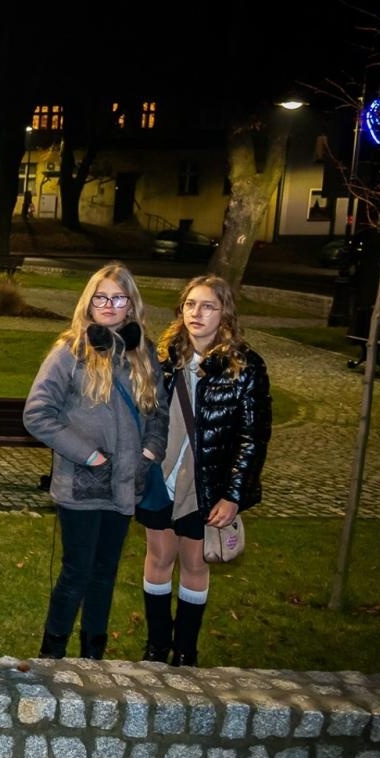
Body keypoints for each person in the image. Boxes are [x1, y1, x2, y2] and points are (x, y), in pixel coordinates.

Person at [23, 263, 164, 660]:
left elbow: (160, 414)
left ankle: (93, 657)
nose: (108, 304)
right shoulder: (69, 351)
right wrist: (88, 454)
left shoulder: (144, 353)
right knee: (76, 573)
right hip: (82, 485)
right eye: (101, 297)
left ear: (130, 305)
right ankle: (51, 655)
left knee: (105, 575)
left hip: (125, 484)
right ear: (89, 301)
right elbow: (37, 413)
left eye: (117, 298)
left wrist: (149, 454)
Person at [139, 275, 271, 667]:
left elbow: (253, 437)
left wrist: (234, 494)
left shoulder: (245, 366)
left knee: (195, 563)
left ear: (224, 313)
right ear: (181, 311)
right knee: (158, 556)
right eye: (190, 305)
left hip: (206, 483)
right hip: (159, 478)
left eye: (208, 306)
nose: (197, 313)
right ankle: (156, 647)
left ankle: (185, 651)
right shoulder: (163, 357)